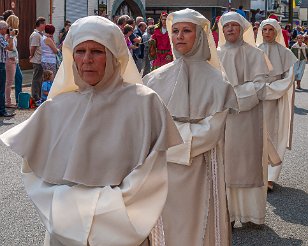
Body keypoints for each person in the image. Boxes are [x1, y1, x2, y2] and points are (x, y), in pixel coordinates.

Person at [0, 16, 182, 246]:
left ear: (113, 55)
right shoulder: (55, 107)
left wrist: (104, 212)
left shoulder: (144, 103)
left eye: (97, 51)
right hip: (64, 228)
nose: (86, 60)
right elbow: (34, 175)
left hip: (122, 228)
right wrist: (67, 211)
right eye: (80, 51)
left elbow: (150, 175)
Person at [144, 8, 237, 245]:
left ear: (200, 36)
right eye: (175, 31)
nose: (179, 36)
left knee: (200, 227)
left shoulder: (217, 81)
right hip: (162, 171)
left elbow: (211, 132)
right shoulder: (155, 78)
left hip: (201, 167)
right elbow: (145, 123)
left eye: (187, 31)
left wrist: (162, 141)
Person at [217, 12, 271, 226]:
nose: (230, 29)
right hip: (221, 117)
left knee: (246, 163)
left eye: (234, 25)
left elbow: (260, 85)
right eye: (226, 26)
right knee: (223, 164)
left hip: (247, 116)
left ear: (242, 29)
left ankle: (250, 214)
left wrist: (233, 98)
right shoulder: (215, 54)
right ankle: (226, 213)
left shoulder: (254, 54)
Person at [256, 19, 298, 191]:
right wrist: (257, 90)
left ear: (277, 32)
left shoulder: (285, 52)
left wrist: (271, 90)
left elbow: (288, 79)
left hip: (275, 99)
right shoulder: (255, 51)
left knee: (274, 134)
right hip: (257, 99)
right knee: (256, 136)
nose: (267, 33)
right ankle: (257, 173)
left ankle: (271, 177)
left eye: (270, 29)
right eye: (264, 29)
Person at [29, 17, 46, 103]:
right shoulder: (36, 35)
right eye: (44, 24)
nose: (45, 25)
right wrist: (31, 55)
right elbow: (33, 47)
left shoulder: (40, 34)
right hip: (37, 59)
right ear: (40, 24)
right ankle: (35, 96)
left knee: (39, 79)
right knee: (36, 79)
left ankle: (38, 95)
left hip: (40, 59)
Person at [5, 15, 19, 108]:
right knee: (9, 82)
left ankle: (7, 101)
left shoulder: (11, 34)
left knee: (9, 82)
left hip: (12, 59)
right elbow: (8, 48)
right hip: (10, 60)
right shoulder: (8, 34)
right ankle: (8, 102)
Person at [0, 20, 14, 117]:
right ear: (2, 29)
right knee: (1, 88)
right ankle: (2, 110)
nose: (7, 30)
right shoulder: (0, 37)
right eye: (6, 28)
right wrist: (12, 36)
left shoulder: (2, 37)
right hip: (0, 64)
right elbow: (9, 48)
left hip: (1, 64)